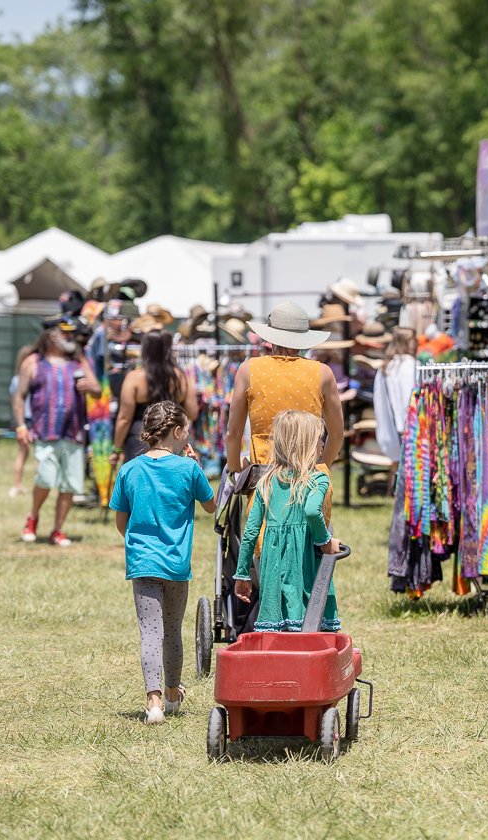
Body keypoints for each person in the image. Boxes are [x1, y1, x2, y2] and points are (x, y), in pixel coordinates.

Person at [109, 401, 216, 724]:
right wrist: (195, 465)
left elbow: (120, 522)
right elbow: (211, 507)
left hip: (142, 562)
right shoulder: (188, 469)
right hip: (176, 565)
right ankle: (172, 694)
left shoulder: (130, 469)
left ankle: (153, 702)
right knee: (172, 632)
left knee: (150, 633)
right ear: (178, 431)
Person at [233, 410, 343, 632]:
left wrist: (243, 573)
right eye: (319, 438)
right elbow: (312, 511)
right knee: (309, 622)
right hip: (305, 563)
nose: (323, 443)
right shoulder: (317, 479)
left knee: (279, 627)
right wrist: (325, 540)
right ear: (308, 444)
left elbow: (251, 531)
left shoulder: (266, 482)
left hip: (272, 565)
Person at [225, 302, 344, 477]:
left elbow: (234, 432)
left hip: (263, 475)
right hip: (307, 475)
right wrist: (322, 468)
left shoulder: (248, 370)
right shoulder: (322, 373)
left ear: (269, 337)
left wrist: (235, 469)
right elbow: (337, 433)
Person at [14, 322, 101, 547]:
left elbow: (98, 390)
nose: (71, 337)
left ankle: (57, 530)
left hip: (74, 432)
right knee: (45, 476)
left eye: (72, 333)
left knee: (70, 484)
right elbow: (19, 395)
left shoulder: (78, 362)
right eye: (65, 333)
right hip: (45, 431)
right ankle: (33, 517)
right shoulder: (33, 362)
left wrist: (89, 387)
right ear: (51, 336)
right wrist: (21, 425)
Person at [111, 330, 198, 465]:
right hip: (174, 436)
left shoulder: (134, 377)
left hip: (141, 439)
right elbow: (192, 412)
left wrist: (116, 449)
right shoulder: (181, 377)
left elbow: (124, 419)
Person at [373, 327, 417, 462]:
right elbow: (409, 397)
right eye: (413, 340)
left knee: (396, 469)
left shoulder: (386, 366)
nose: (416, 343)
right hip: (408, 427)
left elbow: (378, 401)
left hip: (390, 430)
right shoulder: (409, 364)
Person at [8, 344, 36, 497]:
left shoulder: (15, 380)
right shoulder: (35, 377)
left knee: (22, 453)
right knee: (38, 453)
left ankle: (17, 484)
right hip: (34, 418)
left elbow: (15, 402)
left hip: (22, 420)